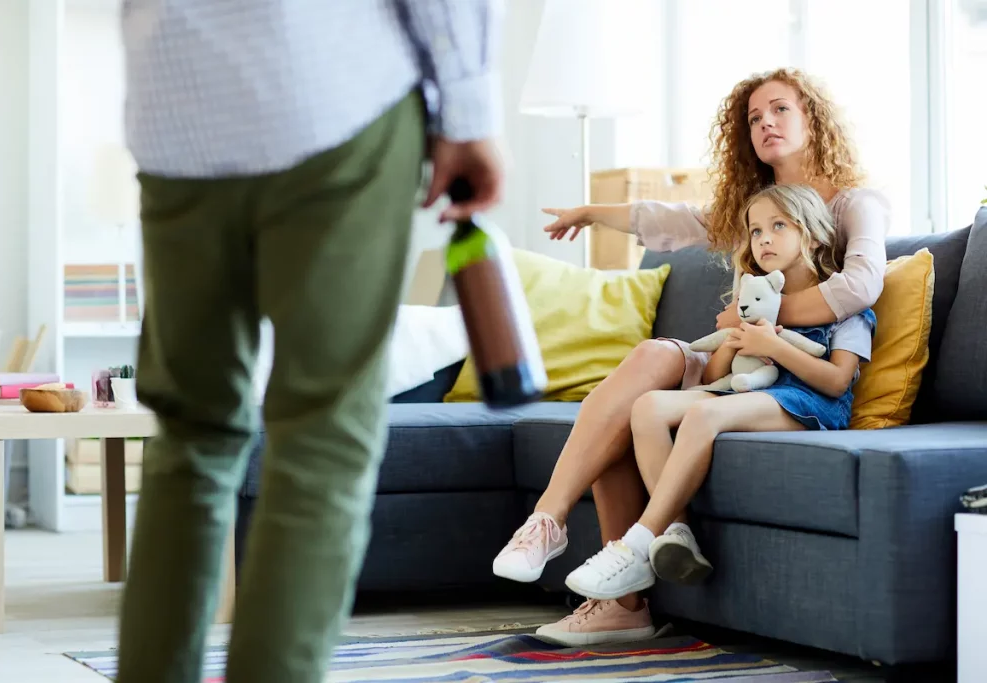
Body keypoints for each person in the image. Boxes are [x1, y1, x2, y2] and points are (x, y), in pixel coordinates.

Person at [116, 3, 505, 683]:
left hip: (175, 104)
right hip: (332, 92)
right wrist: (468, 108)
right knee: (321, 438)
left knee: (190, 440)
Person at [491, 67, 890, 646]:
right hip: (737, 366)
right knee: (646, 366)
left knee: (642, 411)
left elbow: (861, 286)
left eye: (779, 109)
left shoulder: (853, 205)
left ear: (814, 119)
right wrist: (592, 212)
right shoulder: (751, 211)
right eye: (754, 118)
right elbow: (672, 221)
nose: (766, 124)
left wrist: (765, 325)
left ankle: (625, 595)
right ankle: (550, 522)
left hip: (783, 368)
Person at [562, 183, 876, 603]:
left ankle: (636, 543)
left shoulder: (844, 307)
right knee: (649, 407)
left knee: (702, 417)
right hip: (748, 393)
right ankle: (677, 530)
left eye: (778, 226)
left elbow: (837, 380)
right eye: (756, 230)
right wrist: (729, 346)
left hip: (809, 403)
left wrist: (775, 347)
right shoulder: (754, 301)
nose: (764, 239)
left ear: (814, 235)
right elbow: (710, 377)